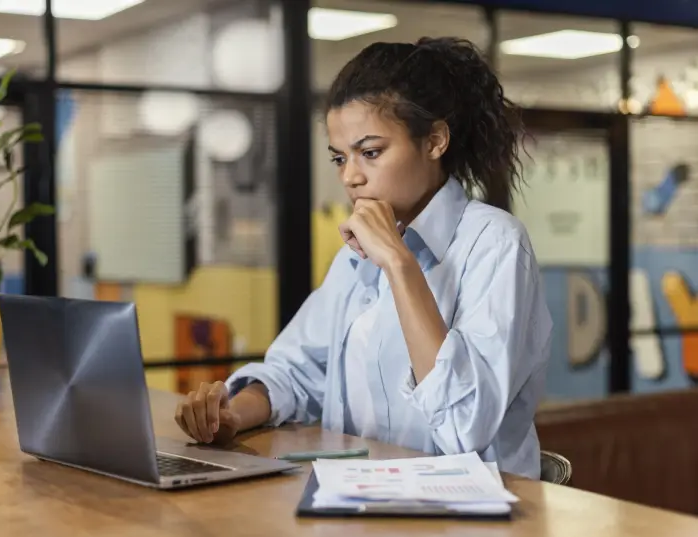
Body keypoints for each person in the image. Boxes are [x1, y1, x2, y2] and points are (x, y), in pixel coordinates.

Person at [174, 37, 552, 479]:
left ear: (434, 141)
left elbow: (464, 424)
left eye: (370, 152)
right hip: (360, 501)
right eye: (340, 157)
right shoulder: (355, 258)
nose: (351, 177)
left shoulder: (495, 244)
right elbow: (295, 370)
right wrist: (233, 415)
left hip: (463, 516)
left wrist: (399, 264)